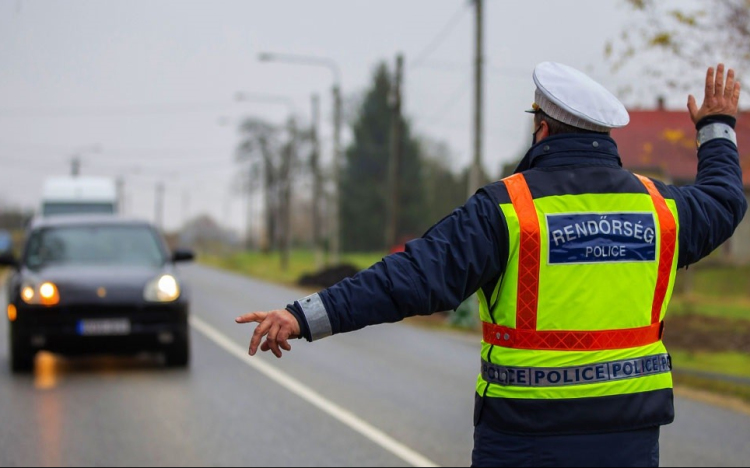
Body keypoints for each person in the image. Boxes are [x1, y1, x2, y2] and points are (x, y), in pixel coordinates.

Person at [236, 62, 746, 467]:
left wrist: (303, 316)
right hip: (630, 440)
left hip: (526, 442)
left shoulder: (509, 209)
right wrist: (717, 128)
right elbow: (725, 202)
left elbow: (409, 277)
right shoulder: (661, 209)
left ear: (542, 129)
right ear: (605, 139)